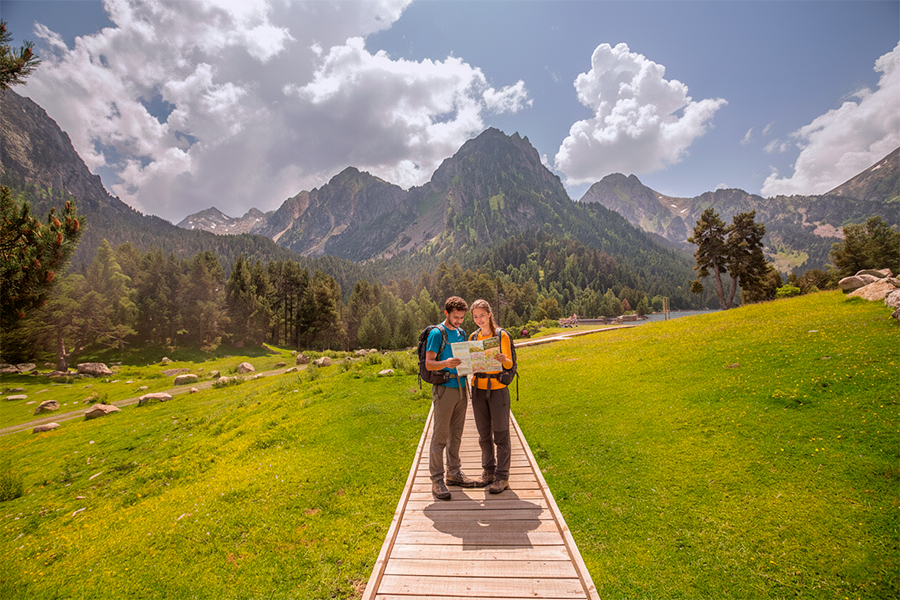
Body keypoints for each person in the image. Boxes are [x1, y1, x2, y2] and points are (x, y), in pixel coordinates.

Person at [425, 296, 477, 500]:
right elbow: (429, 363)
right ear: (446, 313)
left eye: (462, 318)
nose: (459, 321)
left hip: (462, 388)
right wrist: (445, 362)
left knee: (456, 435)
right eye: (456, 317)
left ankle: (454, 473)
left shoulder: (462, 332)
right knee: (440, 437)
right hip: (445, 388)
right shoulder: (437, 334)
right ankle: (437, 480)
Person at [469, 299, 515, 494]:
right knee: (483, 435)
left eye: (482, 315)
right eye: (475, 316)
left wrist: (504, 360)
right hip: (477, 389)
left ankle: (502, 477)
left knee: (501, 434)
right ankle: (488, 473)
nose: (479, 319)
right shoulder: (473, 337)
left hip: (497, 389)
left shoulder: (502, 335)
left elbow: (510, 364)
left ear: (489, 314)